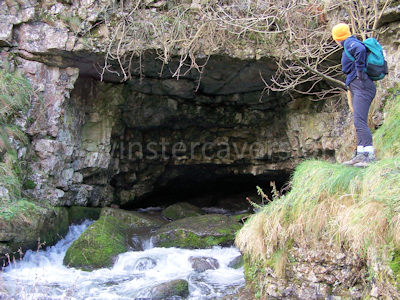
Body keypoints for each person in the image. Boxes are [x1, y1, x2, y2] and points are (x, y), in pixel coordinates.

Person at [332, 23, 377, 167]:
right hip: (359, 86)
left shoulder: (351, 43)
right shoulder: (348, 44)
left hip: (362, 86)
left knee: (359, 121)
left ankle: (369, 155)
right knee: (358, 121)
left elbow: (360, 49)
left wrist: (359, 73)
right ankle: (360, 154)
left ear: (337, 38)